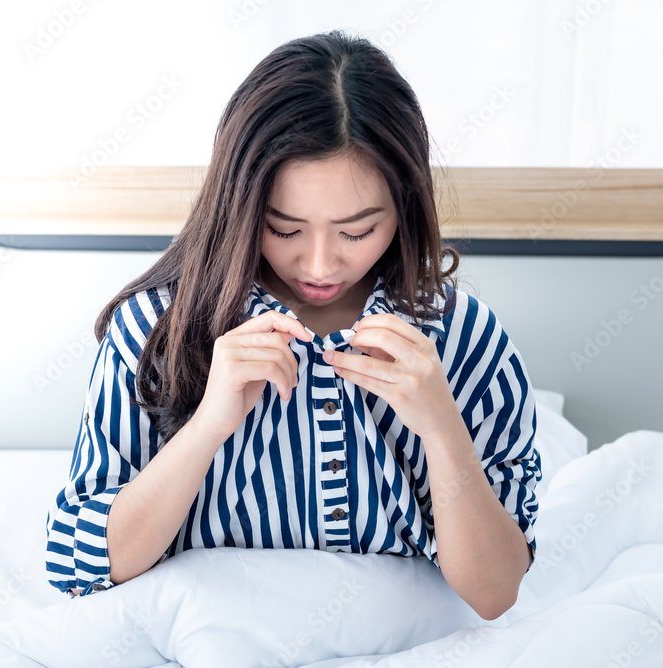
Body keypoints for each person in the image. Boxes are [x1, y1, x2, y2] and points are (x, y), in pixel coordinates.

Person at [44, 29, 541, 621]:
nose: (320, 263)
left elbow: (495, 594)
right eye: (284, 228)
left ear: (405, 207)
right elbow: (77, 568)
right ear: (240, 204)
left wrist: (442, 432)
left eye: (357, 231)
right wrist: (207, 428)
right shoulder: (156, 329)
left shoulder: (463, 336)